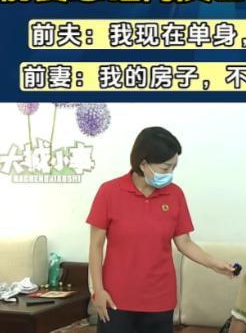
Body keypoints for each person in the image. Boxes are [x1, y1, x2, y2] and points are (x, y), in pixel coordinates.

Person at [87, 127, 235, 333]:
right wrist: (98, 291)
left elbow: (185, 243)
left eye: (174, 168)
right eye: (165, 168)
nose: (170, 174)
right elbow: (95, 246)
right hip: (115, 299)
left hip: (159, 300)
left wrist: (215, 264)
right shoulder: (109, 192)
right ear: (143, 163)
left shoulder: (175, 195)